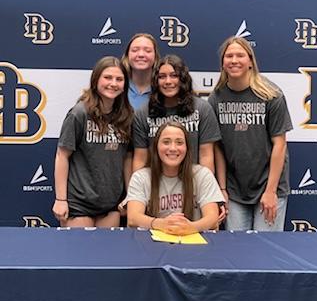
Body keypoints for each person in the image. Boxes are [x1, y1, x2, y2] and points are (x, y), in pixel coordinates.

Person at [208, 36, 293, 231]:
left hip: (269, 186)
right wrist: (222, 188)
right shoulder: (216, 98)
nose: (234, 60)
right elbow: (217, 147)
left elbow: (280, 144)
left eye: (240, 55)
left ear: (250, 61)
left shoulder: (271, 95)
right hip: (235, 189)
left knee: (266, 250)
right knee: (237, 251)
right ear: (223, 63)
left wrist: (271, 191)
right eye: (229, 56)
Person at [52, 56, 133, 227]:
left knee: (108, 254)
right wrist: (60, 199)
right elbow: (62, 155)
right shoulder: (79, 113)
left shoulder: (126, 115)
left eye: (119, 79)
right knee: (80, 254)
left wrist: (130, 195)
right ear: (96, 79)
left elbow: (127, 158)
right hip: (79, 204)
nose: (113, 83)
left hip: (111, 204)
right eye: (108, 77)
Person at [126, 122, 223, 235]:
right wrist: (161, 224)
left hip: (193, 244)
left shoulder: (202, 175)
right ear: (156, 147)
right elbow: (133, 218)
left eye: (179, 142)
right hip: (152, 245)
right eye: (166, 142)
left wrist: (190, 227)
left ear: (187, 148)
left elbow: (212, 219)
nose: (173, 148)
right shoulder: (141, 177)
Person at [132, 54, 221, 173]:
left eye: (174, 76)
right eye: (162, 77)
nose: (168, 81)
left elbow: (206, 156)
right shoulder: (143, 113)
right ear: (155, 81)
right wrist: (137, 190)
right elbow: (140, 158)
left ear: (183, 78)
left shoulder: (202, 109)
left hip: (192, 183)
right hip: (156, 185)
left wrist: (205, 189)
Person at [121, 33, 160, 109]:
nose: (141, 54)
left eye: (147, 51)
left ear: (155, 57)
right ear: (127, 56)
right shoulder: (118, 86)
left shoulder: (163, 88)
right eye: (135, 50)